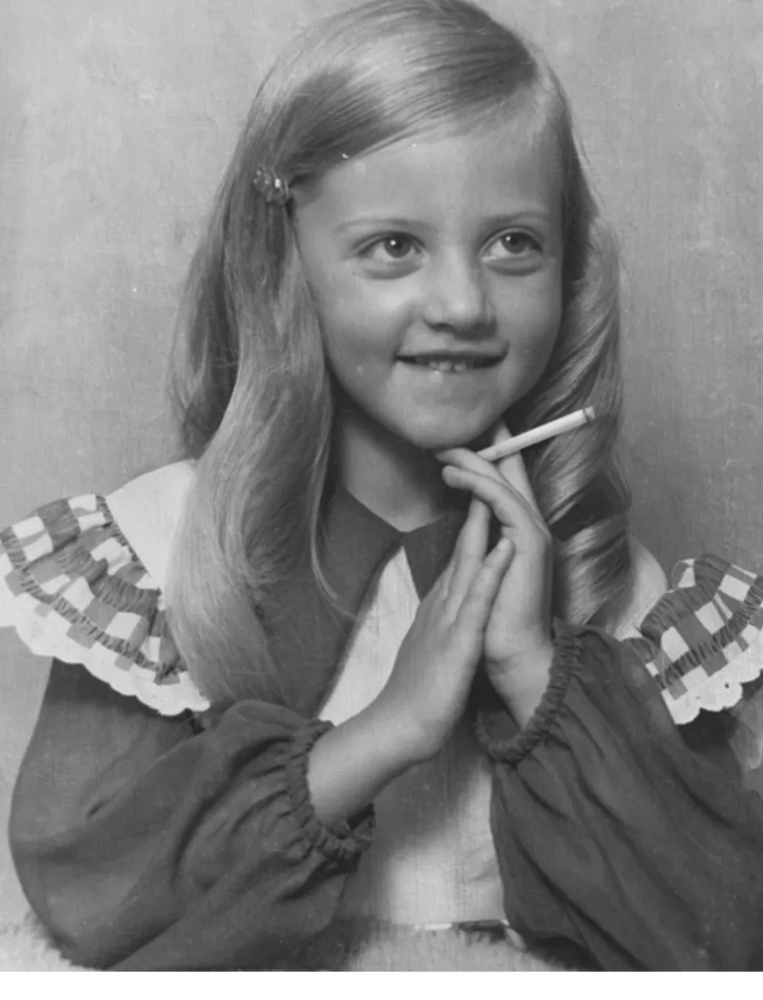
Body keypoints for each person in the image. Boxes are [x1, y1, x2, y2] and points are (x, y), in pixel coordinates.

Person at [2, 0, 763, 975]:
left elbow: (718, 931)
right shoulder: (160, 552)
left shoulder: (604, 574)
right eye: (394, 246)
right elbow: (91, 901)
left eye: (513, 244)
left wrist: (535, 669)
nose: (461, 304)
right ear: (286, 267)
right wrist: (386, 730)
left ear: (569, 267)